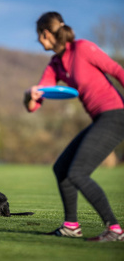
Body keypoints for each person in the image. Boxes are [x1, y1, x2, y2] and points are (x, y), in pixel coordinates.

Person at [24, 12, 124, 242]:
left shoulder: (82, 48)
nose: (38, 40)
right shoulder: (56, 64)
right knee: (62, 169)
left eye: (38, 35)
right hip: (100, 119)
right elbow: (35, 103)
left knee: (78, 173)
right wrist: (29, 96)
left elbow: (117, 71)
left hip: (116, 115)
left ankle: (115, 230)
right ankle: (71, 226)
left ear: (46, 33)